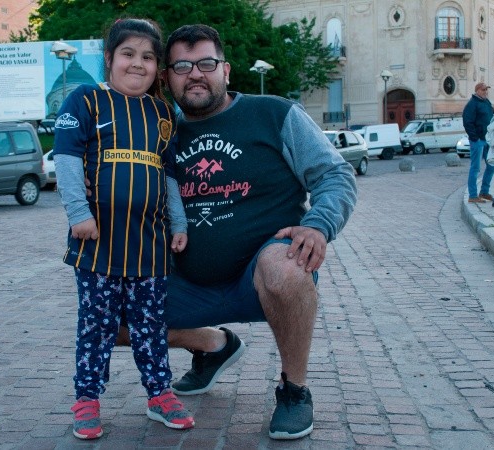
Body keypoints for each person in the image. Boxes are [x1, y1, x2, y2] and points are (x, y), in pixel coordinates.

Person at [114, 24, 357, 440]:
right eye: (182, 66)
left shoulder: (274, 114)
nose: (195, 74)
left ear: (226, 70)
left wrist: (319, 225)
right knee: (107, 315)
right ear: (166, 77)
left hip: (262, 276)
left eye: (206, 63)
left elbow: (335, 174)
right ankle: (213, 345)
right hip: (187, 282)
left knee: (287, 263)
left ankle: (294, 391)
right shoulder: (156, 129)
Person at [52, 17, 194, 440]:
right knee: (97, 325)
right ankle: (87, 400)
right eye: (128, 54)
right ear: (110, 58)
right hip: (97, 243)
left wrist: (179, 222)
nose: (138, 64)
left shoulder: (164, 113)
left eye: (148, 57)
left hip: (149, 246)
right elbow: (66, 160)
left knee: (151, 325)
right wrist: (78, 213)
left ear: (158, 68)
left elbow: (168, 174)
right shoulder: (85, 100)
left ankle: (159, 394)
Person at [462, 82, 494, 203]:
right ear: (477, 91)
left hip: (488, 140)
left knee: (492, 165)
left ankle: (484, 192)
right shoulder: (472, 104)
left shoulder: (487, 103)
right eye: (483, 90)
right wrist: (475, 137)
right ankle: (472, 195)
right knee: (475, 168)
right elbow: (467, 121)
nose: (485, 91)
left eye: (486, 89)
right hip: (478, 141)